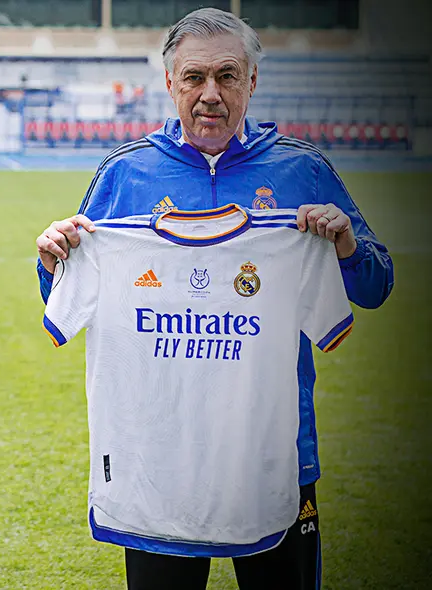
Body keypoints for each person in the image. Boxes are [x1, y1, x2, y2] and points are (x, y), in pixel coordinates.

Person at [34, 8, 393, 590]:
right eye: (194, 78)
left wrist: (347, 247)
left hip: (276, 454)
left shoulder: (303, 171)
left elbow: (377, 286)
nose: (210, 94)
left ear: (252, 81)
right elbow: (67, 299)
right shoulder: (125, 177)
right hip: (160, 458)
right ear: (170, 82)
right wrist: (52, 262)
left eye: (227, 76)